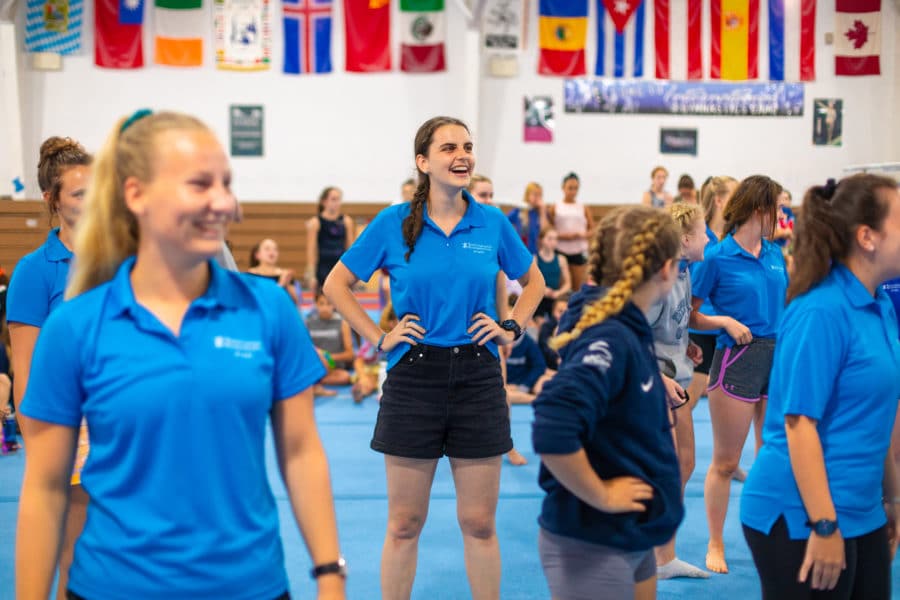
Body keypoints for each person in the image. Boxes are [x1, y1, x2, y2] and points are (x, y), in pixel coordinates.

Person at [15, 111, 345, 600]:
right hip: (113, 585)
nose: (225, 202)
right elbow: (44, 488)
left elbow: (300, 452)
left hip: (247, 585)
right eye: (199, 184)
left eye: (226, 184)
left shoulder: (268, 308)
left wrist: (330, 575)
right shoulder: (75, 326)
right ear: (136, 195)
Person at [323, 115, 544, 600]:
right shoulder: (393, 222)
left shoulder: (492, 221)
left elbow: (535, 283)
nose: (462, 155)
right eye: (449, 148)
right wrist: (379, 337)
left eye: (467, 146)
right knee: (404, 523)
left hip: (478, 375)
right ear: (423, 162)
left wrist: (511, 326)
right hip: (413, 376)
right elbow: (335, 284)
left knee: (479, 523)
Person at [741, 175, 900, 599]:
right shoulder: (820, 311)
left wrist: (892, 498)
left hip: (862, 509)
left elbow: (877, 416)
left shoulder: (880, 305)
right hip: (800, 512)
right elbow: (799, 425)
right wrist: (824, 523)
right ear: (867, 237)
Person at [531, 206, 684, 600]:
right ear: (666, 269)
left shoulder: (625, 327)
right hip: (594, 540)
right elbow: (554, 424)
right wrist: (601, 494)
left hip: (632, 534)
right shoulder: (612, 335)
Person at [690, 175, 788, 574]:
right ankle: (715, 542)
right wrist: (725, 321)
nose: (782, 216)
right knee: (726, 463)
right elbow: (689, 314)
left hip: (776, 359)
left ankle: (770, 538)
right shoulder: (717, 256)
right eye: (778, 209)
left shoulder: (776, 253)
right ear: (759, 210)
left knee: (772, 457)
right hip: (737, 359)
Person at [7, 136, 91, 599]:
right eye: (79, 193)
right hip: (68, 430)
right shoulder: (34, 270)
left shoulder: (123, 261)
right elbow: (24, 370)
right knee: (76, 559)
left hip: (126, 425)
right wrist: (40, 450)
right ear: (52, 200)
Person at [646, 203, 710, 580]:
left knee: (685, 463)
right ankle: (656, 552)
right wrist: (657, 374)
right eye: (703, 233)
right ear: (685, 240)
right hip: (657, 380)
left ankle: (662, 551)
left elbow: (672, 324)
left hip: (677, 374)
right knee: (667, 466)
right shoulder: (661, 278)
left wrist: (685, 343)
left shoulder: (684, 272)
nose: (708, 239)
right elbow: (630, 334)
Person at [684, 176, 737, 445]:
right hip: (701, 327)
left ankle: (726, 456)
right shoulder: (704, 240)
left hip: (721, 328)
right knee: (688, 399)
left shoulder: (727, 239)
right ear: (719, 201)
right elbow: (689, 287)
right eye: (735, 195)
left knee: (724, 401)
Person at [548, 172, 594, 291]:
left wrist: (582, 235)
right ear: (563, 188)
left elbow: (592, 230)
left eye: (575, 188)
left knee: (578, 286)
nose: (573, 191)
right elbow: (548, 229)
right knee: (561, 287)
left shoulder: (583, 207)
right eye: (570, 188)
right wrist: (562, 236)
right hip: (560, 250)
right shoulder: (556, 207)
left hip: (578, 251)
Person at [306, 186, 355, 293]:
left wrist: (353, 271)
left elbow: (350, 248)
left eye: (338, 199)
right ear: (324, 202)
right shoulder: (315, 222)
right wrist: (311, 275)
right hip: (322, 268)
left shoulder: (347, 221)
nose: (336, 203)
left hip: (340, 267)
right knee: (324, 299)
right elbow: (311, 251)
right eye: (333, 199)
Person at [352, 303, 397, 403]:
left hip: (392, 374)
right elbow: (358, 360)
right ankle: (361, 388)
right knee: (371, 379)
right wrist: (363, 377)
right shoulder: (378, 337)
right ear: (391, 322)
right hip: (375, 371)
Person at [307, 292, 354, 387]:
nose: (325, 308)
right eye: (321, 304)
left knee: (345, 377)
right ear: (316, 304)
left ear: (334, 305)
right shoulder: (308, 323)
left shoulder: (342, 324)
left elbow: (350, 355)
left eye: (329, 304)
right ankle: (315, 380)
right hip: (315, 366)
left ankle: (315, 382)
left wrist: (327, 357)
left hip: (334, 369)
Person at [247, 237, 300, 305]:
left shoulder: (284, 274)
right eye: (267, 249)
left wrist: (287, 285)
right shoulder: (250, 275)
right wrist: (281, 285)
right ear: (257, 255)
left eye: (275, 249)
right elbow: (255, 299)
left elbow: (295, 303)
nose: (272, 252)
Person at [535, 227, 571, 320]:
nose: (553, 242)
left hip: (555, 297)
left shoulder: (561, 259)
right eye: (550, 238)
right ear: (541, 240)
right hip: (539, 298)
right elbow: (530, 282)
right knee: (541, 323)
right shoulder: (534, 259)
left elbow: (568, 284)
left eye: (555, 239)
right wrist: (543, 290)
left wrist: (558, 293)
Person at [508, 182, 549, 254]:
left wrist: (542, 212)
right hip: (520, 250)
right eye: (535, 194)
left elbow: (545, 231)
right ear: (527, 195)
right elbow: (505, 222)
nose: (538, 198)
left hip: (536, 251)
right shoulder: (519, 210)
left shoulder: (541, 212)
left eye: (540, 195)